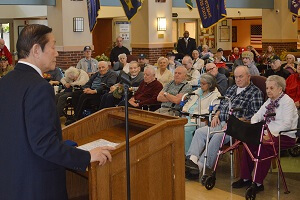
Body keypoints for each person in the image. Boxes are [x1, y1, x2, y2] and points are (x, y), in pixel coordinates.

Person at [0, 24, 114, 200]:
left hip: (11, 182)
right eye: (53, 47)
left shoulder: (5, 82)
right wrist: (87, 156)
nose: (57, 53)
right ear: (36, 50)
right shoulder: (39, 87)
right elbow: (43, 144)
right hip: (38, 187)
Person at [185, 66, 264, 177]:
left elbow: (255, 116)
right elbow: (221, 105)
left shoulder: (255, 92)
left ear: (248, 76)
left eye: (241, 77)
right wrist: (216, 116)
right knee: (200, 132)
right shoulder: (231, 89)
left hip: (237, 127)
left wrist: (233, 122)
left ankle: (200, 166)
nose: (238, 79)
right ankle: (191, 162)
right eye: (236, 77)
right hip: (221, 122)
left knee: (218, 136)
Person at [232, 75, 298, 194]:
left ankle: (257, 183)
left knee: (264, 145)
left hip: (285, 135)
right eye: (267, 88)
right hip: (267, 132)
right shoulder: (269, 101)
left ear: (280, 89)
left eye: (271, 88)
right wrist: (255, 128)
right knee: (249, 142)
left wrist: (270, 134)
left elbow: (287, 124)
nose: (268, 91)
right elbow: (257, 116)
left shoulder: (287, 102)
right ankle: (246, 178)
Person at [182, 73, 221, 153]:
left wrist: (194, 113)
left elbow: (211, 110)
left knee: (185, 128)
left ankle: (187, 154)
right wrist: (185, 109)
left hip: (200, 119)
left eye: (203, 84)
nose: (200, 86)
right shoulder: (197, 91)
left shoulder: (216, 95)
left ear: (210, 85)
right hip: (187, 115)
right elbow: (189, 102)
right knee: (174, 126)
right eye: (200, 83)